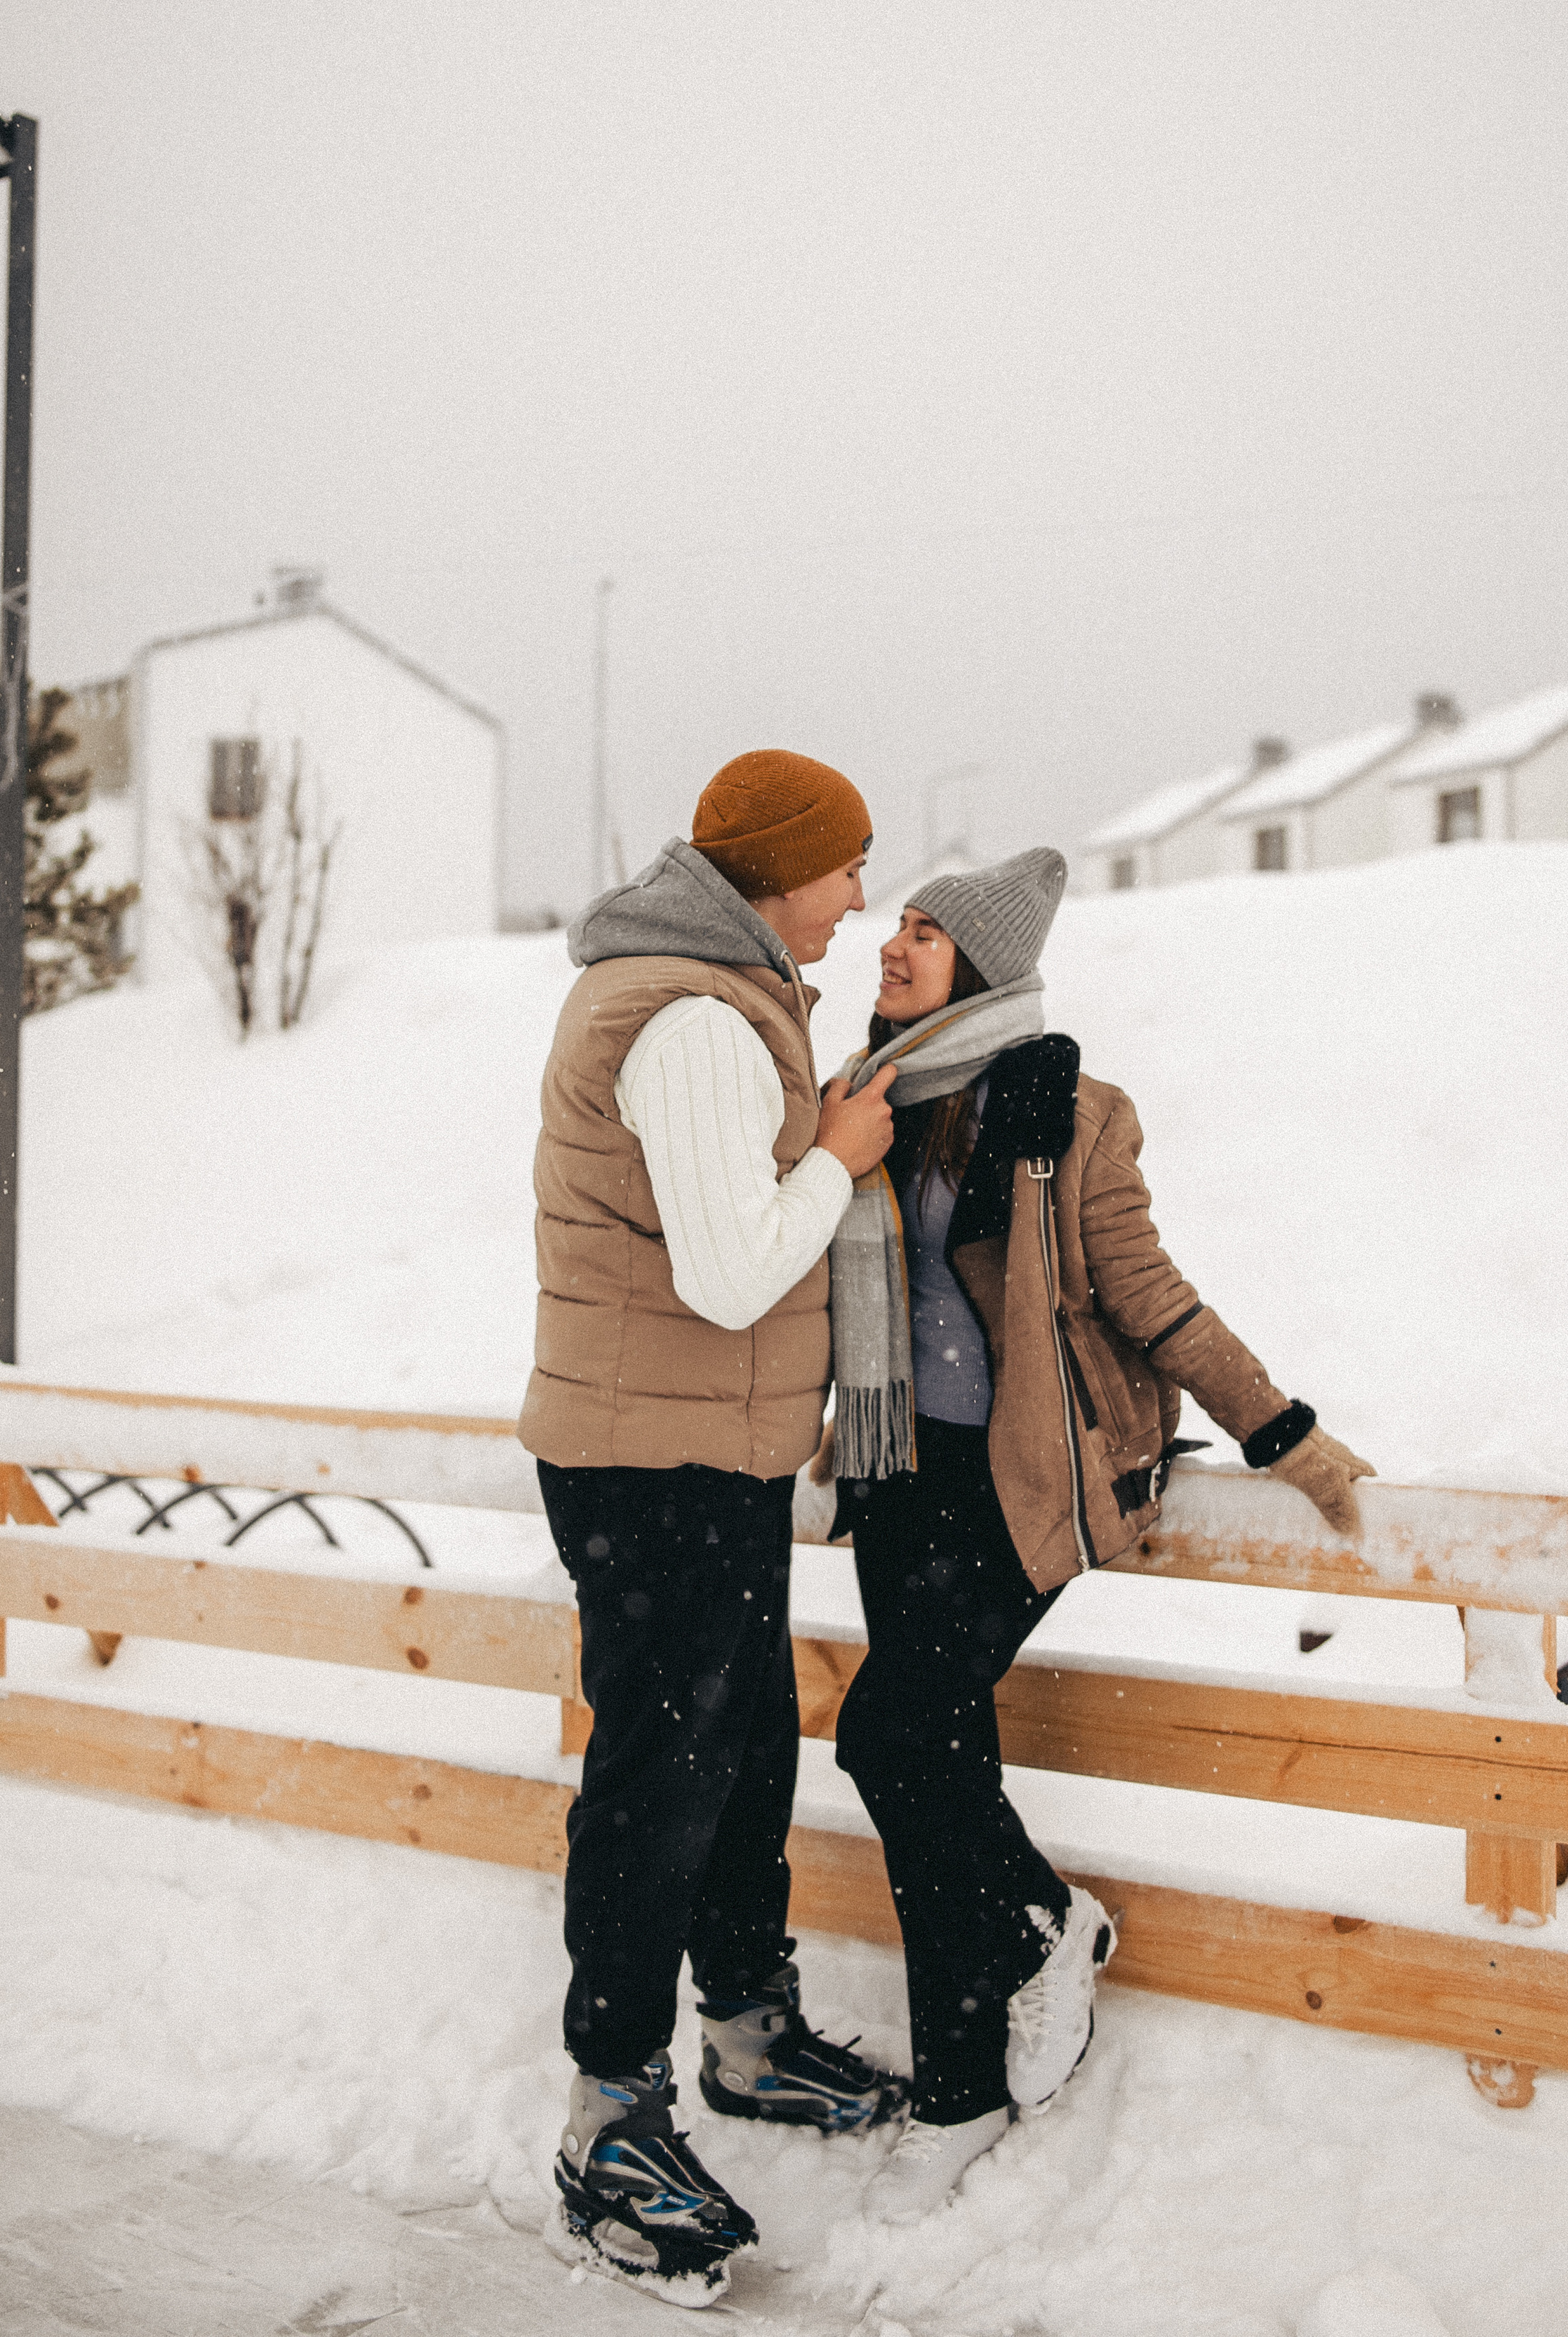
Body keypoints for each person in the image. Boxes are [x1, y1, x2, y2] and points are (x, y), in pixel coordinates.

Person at [820, 847, 1377, 2223]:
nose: (892, 947)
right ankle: (956, 2080)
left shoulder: (1067, 1111)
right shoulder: (858, 1102)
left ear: (988, 967)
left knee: (887, 1737)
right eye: (892, 926)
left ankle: (1049, 1926)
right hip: (895, 1471)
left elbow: (1148, 1299)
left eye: (927, 936)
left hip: (1018, 1484)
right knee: (927, 1769)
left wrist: (1280, 1430)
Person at [517, 748, 905, 2309]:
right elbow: (731, 1273)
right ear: (776, 872)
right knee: (659, 1775)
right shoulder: (688, 1018)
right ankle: (608, 2119)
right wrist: (838, 1155)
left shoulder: (724, 1000)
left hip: (706, 1454)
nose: (862, 900)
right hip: (649, 1464)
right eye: (846, 867)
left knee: (741, 1752)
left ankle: (745, 2033)